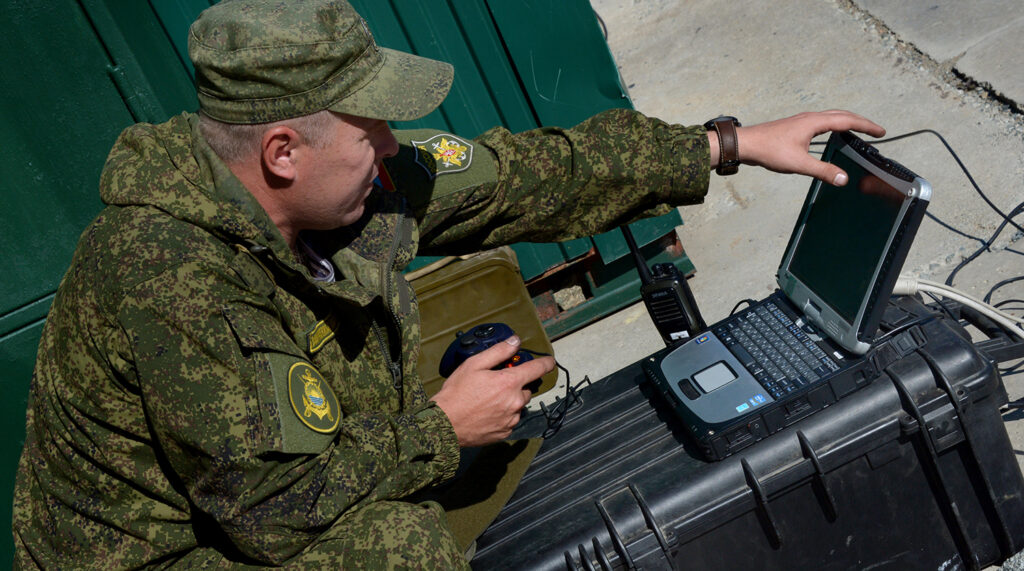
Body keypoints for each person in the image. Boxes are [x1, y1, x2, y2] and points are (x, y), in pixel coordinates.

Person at [11, 0, 885, 568]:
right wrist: (439, 429)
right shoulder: (170, 279)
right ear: (283, 152)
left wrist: (722, 144)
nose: (394, 145)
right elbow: (270, 509)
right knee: (398, 552)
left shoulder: (339, 186)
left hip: (256, 485)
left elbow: (520, 176)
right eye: (372, 128)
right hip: (166, 553)